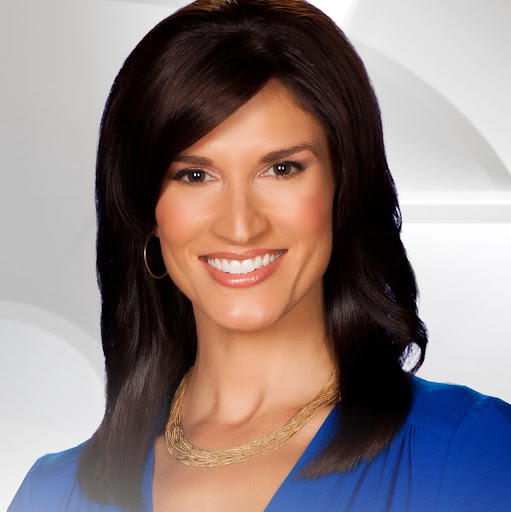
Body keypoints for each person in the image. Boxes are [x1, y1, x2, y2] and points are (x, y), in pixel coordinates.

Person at [8, 0, 511, 510]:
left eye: (282, 169)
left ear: (344, 187)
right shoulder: (53, 494)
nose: (240, 226)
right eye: (195, 175)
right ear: (148, 212)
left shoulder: (471, 453)